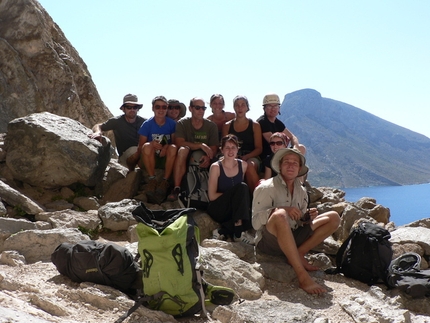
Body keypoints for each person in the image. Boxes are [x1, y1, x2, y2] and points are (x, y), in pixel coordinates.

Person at [252, 148, 340, 295]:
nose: (291, 165)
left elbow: (298, 221)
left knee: (333, 217)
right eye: (287, 162)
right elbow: (255, 223)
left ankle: (299, 253)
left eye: (295, 163)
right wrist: (281, 209)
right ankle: (302, 276)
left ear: (299, 168)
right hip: (269, 242)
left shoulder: (302, 191)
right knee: (280, 215)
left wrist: (306, 217)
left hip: (291, 236)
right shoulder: (266, 187)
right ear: (280, 166)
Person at [167, 97, 218, 202]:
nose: (201, 111)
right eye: (197, 108)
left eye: (203, 108)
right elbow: (179, 143)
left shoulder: (211, 126)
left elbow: (214, 147)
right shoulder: (182, 123)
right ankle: (177, 188)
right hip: (185, 157)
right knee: (182, 150)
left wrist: (209, 157)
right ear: (190, 108)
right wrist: (200, 145)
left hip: (202, 158)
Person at [207, 134, 254, 244]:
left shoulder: (243, 165)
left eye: (233, 147)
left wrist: (236, 199)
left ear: (238, 149)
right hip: (218, 207)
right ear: (222, 150)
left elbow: (240, 196)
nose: (230, 150)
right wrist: (233, 197)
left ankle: (222, 231)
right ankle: (238, 231)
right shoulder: (216, 167)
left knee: (253, 213)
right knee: (242, 187)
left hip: (234, 209)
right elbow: (212, 196)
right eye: (227, 147)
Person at [137, 96, 177, 204]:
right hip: (151, 158)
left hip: (165, 157)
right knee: (147, 146)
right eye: (158, 107)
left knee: (173, 148)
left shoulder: (172, 124)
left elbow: (175, 143)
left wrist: (166, 147)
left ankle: (165, 181)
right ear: (153, 108)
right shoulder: (147, 124)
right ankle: (152, 179)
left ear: (167, 108)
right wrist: (151, 143)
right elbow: (141, 146)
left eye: (164, 107)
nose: (161, 110)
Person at [90, 93, 146, 171]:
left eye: (135, 107)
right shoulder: (117, 121)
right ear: (123, 108)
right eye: (129, 107)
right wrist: (97, 132)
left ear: (138, 108)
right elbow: (98, 126)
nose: (132, 110)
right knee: (136, 150)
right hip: (125, 158)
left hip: (142, 153)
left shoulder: (144, 122)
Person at [222, 95, 262, 191]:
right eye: (237, 105)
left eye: (243, 105)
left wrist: (246, 157)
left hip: (251, 156)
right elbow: (224, 146)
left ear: (247, 108)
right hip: (232, 155)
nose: (240, 108)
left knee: (249, 166)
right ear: (234, 107)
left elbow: (259, 148)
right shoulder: (227, 126)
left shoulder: (255, 125)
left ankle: (258, 197)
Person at [257, 93, 305, 160]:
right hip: (267, 155)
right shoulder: (262, 122)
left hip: (278, 151)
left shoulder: (278, 123)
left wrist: (295, 147)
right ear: (264, 108)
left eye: (275, 106)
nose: (273, 109)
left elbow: (292, 136)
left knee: (301, 148)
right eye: (269, 106)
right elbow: (273, 142)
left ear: (279, 108)